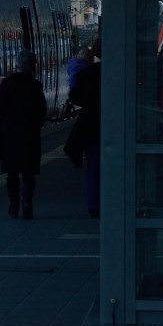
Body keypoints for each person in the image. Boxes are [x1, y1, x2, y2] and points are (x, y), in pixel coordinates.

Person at [0, 50, 47, 219]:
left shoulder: (7, 84)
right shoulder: (35, 85)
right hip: (30, 134)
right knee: (28, 172)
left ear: (16, 65)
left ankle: (13, 204)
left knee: (12, 172)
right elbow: (41, 110)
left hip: (10, 135)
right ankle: (27, 203)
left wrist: (0, 126)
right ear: (32, 66)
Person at [65, 38, 101, 217]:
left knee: (93, 167)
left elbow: (75, 97)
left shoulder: (86, 74)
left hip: (91, 126)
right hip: (116, 127)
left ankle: (94, 205)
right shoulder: (117, 72)